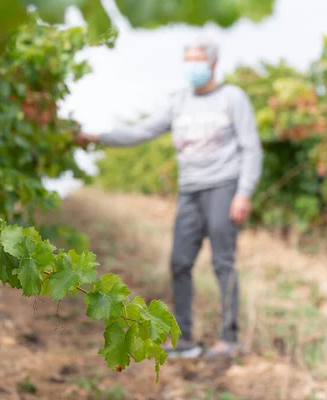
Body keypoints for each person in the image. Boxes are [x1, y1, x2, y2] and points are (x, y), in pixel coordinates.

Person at [75, 35, 263, 359]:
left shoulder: (233, 98)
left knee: (223, 263)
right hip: (189, 191)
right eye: (188, 60)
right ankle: (184, 338)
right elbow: (140, 131)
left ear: (213, 63)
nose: (192, 66)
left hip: (223, 187)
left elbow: (251, 148)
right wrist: (96, 137)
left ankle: (229, 338)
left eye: (197, 60)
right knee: (179, 262)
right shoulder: (179, 102)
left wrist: (243, 193)